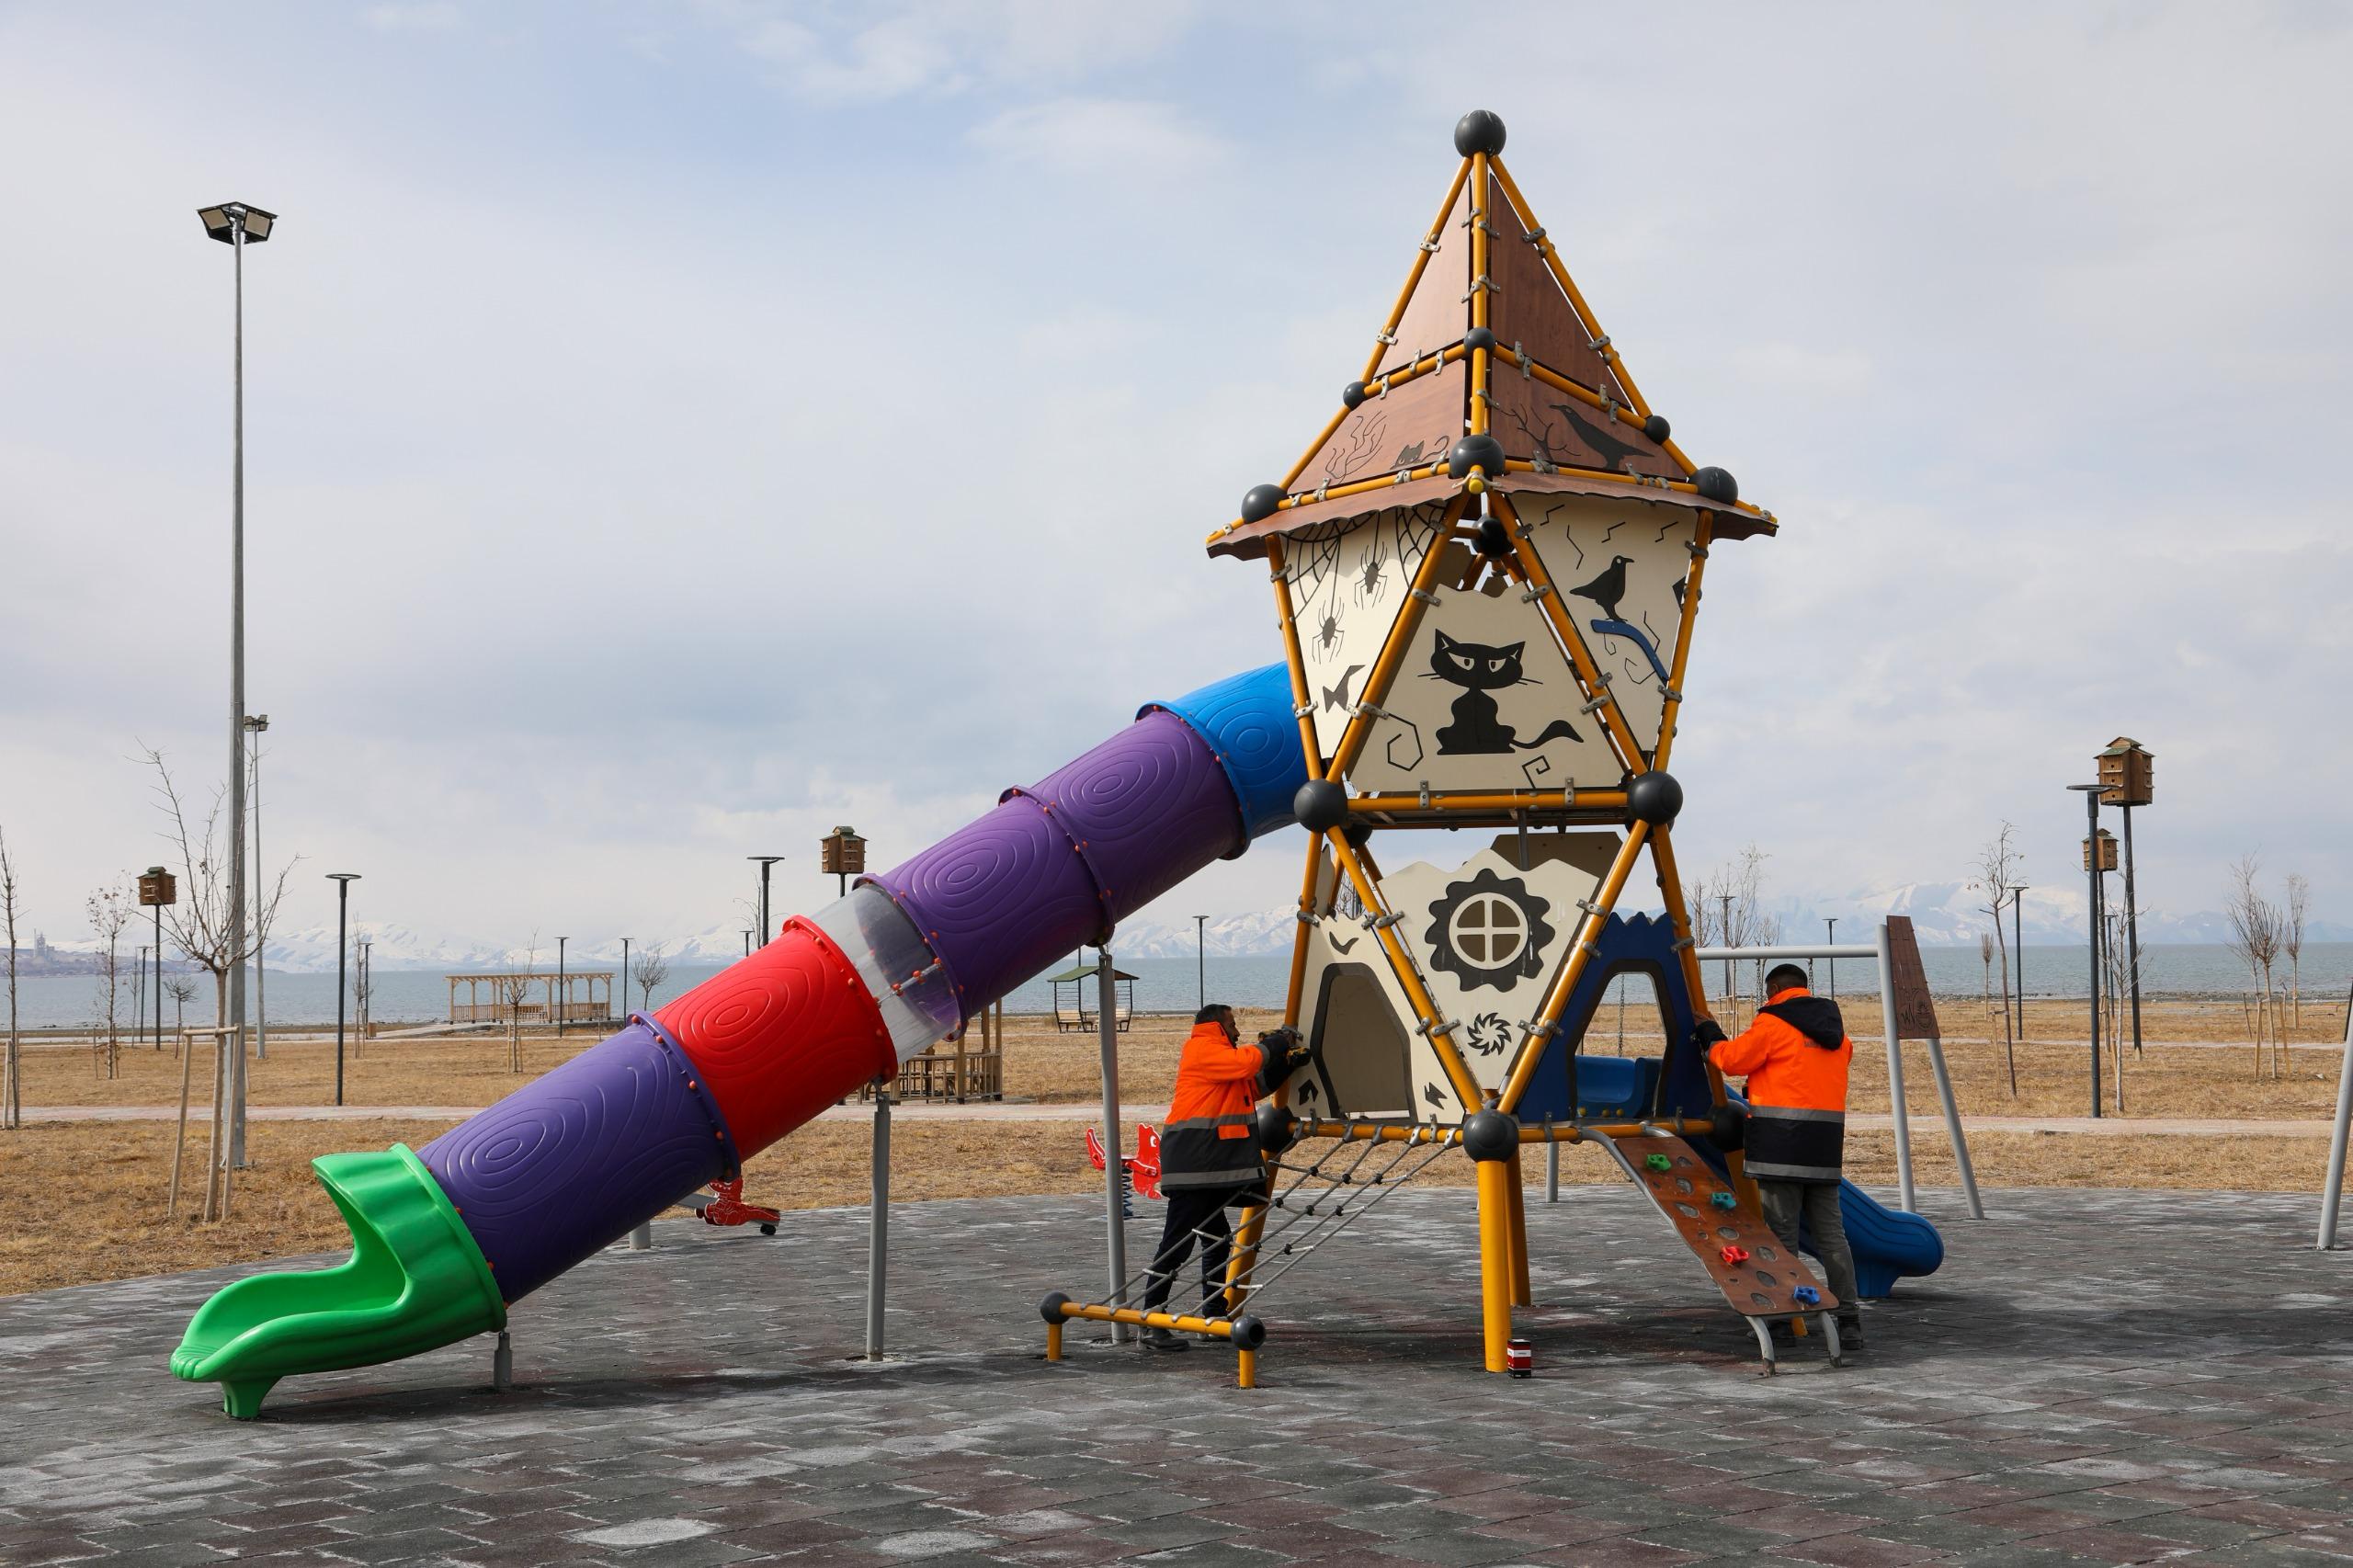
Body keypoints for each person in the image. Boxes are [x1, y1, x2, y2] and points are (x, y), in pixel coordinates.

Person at [1698, 963, 1865, 1349]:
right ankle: (1849, 1320)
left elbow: (1733, 1060)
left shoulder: (1772, 1025)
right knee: (1832, 1237)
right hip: (1824, 1148)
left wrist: (1709, 1035)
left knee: (1781, 1238)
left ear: (1773, 988)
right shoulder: (1839, 1035)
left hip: (1779, 1146)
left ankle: (1785, 1320)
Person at [1139, 1004, 1302, 1351]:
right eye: (1232, 1024)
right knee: (1177, 1242)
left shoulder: (1219, 1057)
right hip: (1194, 1162)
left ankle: (1212, 1314)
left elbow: (1251, 1087)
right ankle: (1151, 1319)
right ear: (1216, 1026)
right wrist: (1274, 1044)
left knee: (1216, 1239)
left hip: (1210, 1163)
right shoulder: (1202, 1048)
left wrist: (1286, 1065)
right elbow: (1245, 1063)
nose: (1238, 1030)